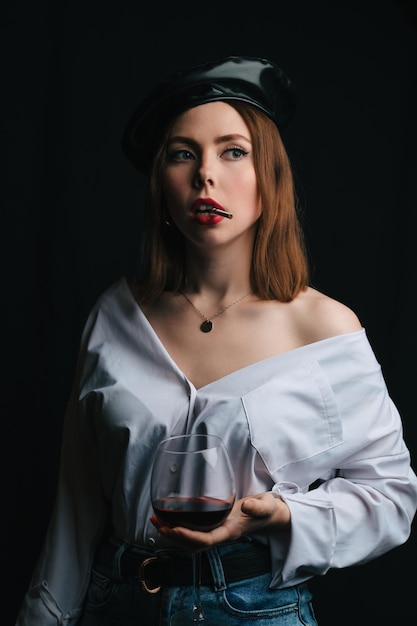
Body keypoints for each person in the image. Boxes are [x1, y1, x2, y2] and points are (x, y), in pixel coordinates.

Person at [16, 55, 417, 626]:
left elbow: (392, 497)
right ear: (162, 181)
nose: (207, 174)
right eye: (184, 153)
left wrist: (276, 515)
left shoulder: (323, 328)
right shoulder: (115, 314)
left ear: (268, 175)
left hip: (253, 608)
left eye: (234, 151)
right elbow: (76, 507)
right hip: (116, 606)